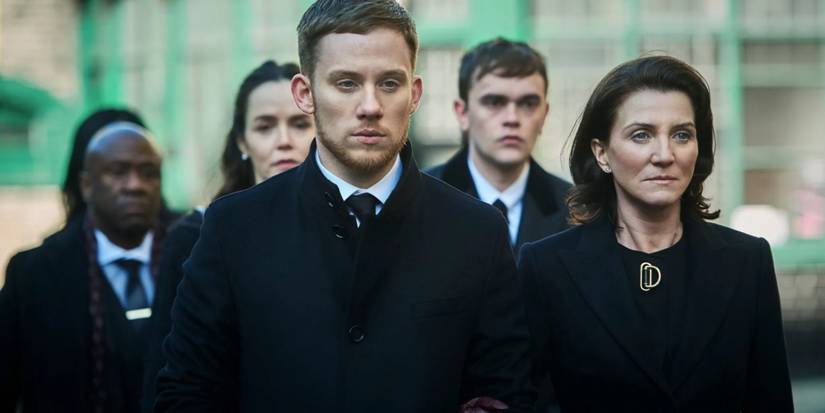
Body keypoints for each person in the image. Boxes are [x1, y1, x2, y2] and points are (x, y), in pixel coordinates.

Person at [154, 1, 532, 412]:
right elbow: (187, 393)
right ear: (305, 93)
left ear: (415, 93)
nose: (370, 106)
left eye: (389, 83)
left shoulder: (475, 231)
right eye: (346, 83)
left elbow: (504, 393)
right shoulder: (234, 228)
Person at [518, 55, 794, 412]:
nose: (664, 155)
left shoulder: (747, 261)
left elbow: (770, 401)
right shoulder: (546, 267)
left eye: (681, 134)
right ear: (601, 153)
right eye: (641, 135)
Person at [141, 59, 315, 412]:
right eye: (265, 127)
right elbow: (166, 378)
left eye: (300, 124)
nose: (284, 141)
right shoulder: (195, 238)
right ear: (242, 141)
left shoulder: (348, 228)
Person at [1, 123, 172, 413]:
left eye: (148, 173)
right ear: (87, 186)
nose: (135, 185)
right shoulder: (34, 274)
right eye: (118, 172)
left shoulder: (193, 260)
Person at [427, 37, 570, 252]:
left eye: (528, 103)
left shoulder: (575, 212)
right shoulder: (420, 201)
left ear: (544, 115)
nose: (512, 118)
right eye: (494, 102)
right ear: (462, 112)